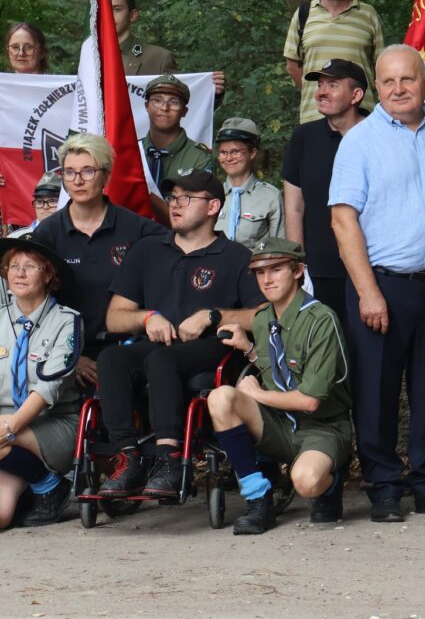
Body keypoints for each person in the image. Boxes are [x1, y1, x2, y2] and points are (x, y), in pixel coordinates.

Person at [329, 44, 425, 521]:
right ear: (376, 88)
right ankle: (384, 489)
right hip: (383, 285)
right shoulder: (359, 141)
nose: (399, 89)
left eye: (408, 80)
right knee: (376, 392)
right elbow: (342, 219)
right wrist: (367, 291)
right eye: (389, 82)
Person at [95, 171, 264, 499]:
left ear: (213, 205)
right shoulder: (148, 250)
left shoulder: (235, 256)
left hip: (210, 349)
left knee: (162, 360)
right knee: (112, 357)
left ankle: (169, 459)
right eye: (173, 198)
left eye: (187, 198)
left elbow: (261, 316)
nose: (175, 204)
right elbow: (115, 317)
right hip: (157, 343)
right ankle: (128, 458)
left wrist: (212, 316)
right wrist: (147, 317)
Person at [210, 237, 353, 534]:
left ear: (298, 271)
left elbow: (310, 401)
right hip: (279, 425)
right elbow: (276, 368)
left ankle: (331, 482)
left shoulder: (321, 319)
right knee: (221, 397)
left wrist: (258, 394)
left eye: (276, 270)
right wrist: (248, 349)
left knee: (307, 482)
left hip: (321, 427)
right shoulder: (263, 320)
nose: (267, 279)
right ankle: (258, 499)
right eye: (260, 273)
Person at [31, 134, 165, 391]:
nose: (78, 180)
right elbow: (36, 307)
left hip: (128, 351)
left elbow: (178, 263)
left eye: (88, 171)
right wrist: (70, 358)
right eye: (69, 172)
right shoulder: (47, 234)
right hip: (66, 353)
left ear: (106, 175)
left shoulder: (136, 228)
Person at [283, 59, 368, 331]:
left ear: (356, 95)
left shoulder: (379, 136)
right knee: (325, 352)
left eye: (333, 85)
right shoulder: (304, 138)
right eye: (320, 85)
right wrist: (297, 265)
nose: (321, 91)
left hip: (373, 267)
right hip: (319, 270)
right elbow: (294, 207)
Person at [0, 238, 80, 527]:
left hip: (53, 425)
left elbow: (49, 389)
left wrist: (9, 427)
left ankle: (48, 483)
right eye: (13, 266)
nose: (19, 273)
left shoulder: (67, 321)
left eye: (29, 266)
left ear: (48, 275)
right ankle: (39, 486)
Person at [283, 0, 385, 123]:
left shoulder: (368, 14)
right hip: (314, 116)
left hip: (360, 117)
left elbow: (382, 66)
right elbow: (292, 66)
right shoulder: (303, 14)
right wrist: (320, 93)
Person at [109, 0, 226, 98]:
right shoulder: (91, 58)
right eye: (105, 10)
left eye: (117, 9)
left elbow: (182, 104)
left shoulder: (159, 59)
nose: (108, 15)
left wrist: (212, 92)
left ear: (132, 15)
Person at [214, 117, 283, 248]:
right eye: (223, 152)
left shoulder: (270, 196)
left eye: (235, 151)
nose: (228, 158)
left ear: (252, 153)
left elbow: (279, 248)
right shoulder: (211, 194)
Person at [140, 74, 215, 194]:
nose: (164, 108)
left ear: (184, 111)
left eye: (173, 102)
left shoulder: (199, 158)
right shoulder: (132, 150)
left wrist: (147, 193)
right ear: (147, 106)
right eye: (157, 100)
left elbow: (197, 210)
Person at [7, 173, 62, 239]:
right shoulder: (15, 238)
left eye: (52, 201)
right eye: (39, 202)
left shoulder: (74, 238)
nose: (45, 207)